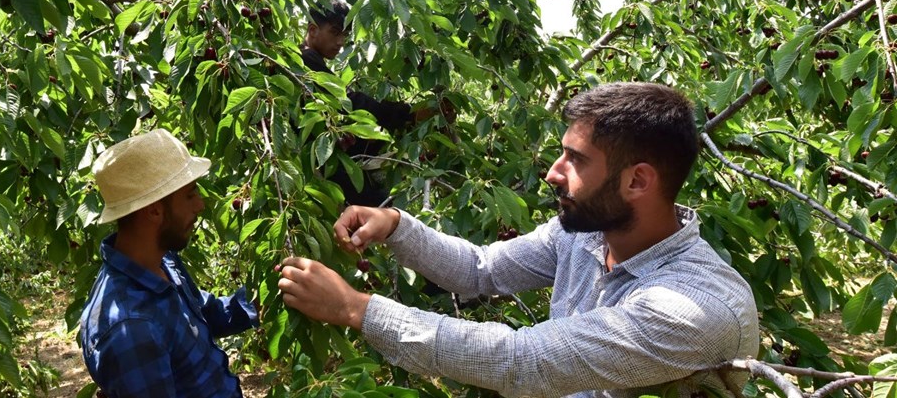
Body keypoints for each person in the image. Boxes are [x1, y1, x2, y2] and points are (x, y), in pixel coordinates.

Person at [275, 82, 760, 398]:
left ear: (637, 182)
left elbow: (524, 361)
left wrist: (357, 309)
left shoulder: (694, 308)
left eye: (576, 160)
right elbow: (480, 269)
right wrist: (398, 224)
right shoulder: (586, 236)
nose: (552, 173)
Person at [77, 129, 259, 398]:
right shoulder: (131, 327)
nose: (200, 204)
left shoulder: (163, 261)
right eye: (189, 194)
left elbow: (206, 315)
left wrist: (263, 295)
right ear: (154, 210)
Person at [300, 0, 434, 206]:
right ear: (313, 30)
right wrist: (409, 114)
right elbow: (350, 103)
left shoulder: (312, 62)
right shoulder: (304, 60)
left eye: (345, 35)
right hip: (324, 167)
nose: (340, 42)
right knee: (383, 210)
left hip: (331, 163)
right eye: (335, 33)